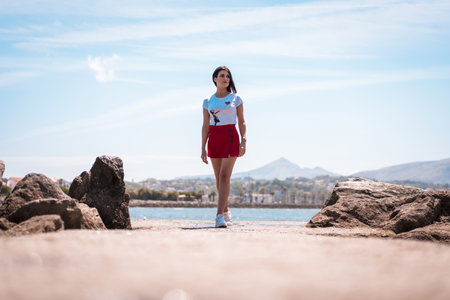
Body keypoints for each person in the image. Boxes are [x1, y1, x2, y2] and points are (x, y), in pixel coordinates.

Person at [201, 66, 246, 228]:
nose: (225, 78)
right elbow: (205, 125)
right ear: (215, 79)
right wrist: (202, 147)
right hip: (214, 137)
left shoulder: (236, 98)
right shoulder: (208, 101)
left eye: (228, 76)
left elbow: (241, 121)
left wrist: (243, 140)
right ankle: (226, 211)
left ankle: (219, 215)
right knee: (218, 179)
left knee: (224, 176)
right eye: (222, 76)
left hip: (230, 136)